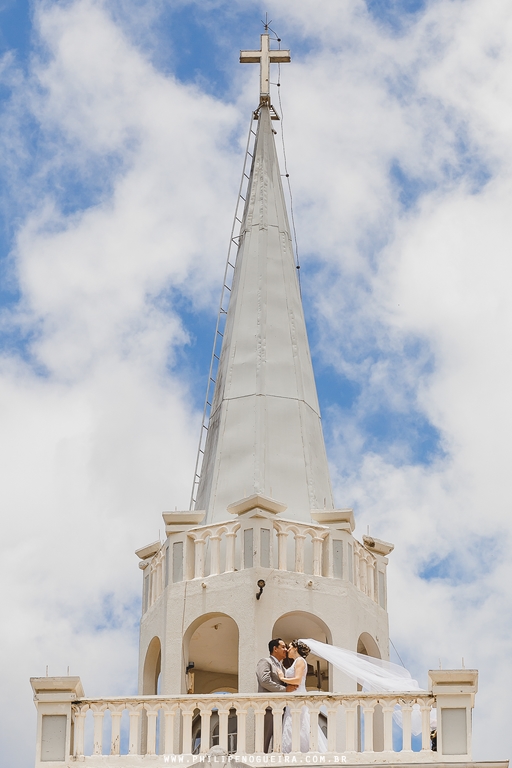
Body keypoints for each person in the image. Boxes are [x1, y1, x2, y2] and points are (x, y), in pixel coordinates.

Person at [279, 640, 328, 753]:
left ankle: (302, 750)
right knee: (294, 724)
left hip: (298, 696)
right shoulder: (296, 662)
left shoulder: (300, 661)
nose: (288, 650)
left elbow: (297, 680)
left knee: (301, 723)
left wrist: (282, 678)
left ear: (296, 648)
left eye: (290, 647)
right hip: (292, 698)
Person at [256, 638, 296, 753]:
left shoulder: (283, 667)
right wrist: (285, 690)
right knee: (263, 743)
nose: (286, 649)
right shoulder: (265, 662)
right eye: (283, 647)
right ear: (275, 649)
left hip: (282, 709)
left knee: (279, 744)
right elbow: (264, 681)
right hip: (268, 709)